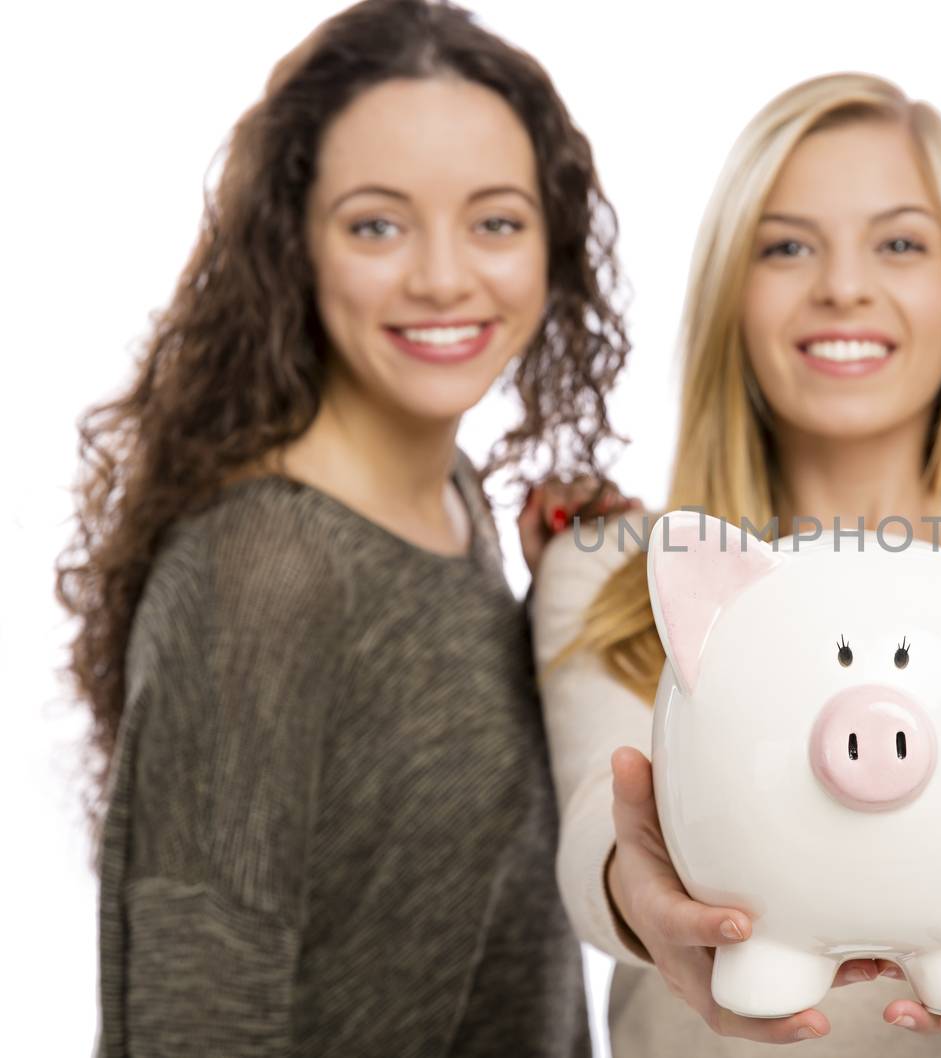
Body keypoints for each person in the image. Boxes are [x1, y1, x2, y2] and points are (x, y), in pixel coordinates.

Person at [532, 73, 941, 1054]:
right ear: (728, 292)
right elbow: (591, 832)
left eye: (900, 243)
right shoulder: (620, 566)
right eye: (786, 245)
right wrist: (640, 889)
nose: (842, 285)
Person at [54, 1, 628, 1053]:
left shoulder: (450, 503)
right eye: (377, 223)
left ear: (550, 245)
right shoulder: (260, 570)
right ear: (294, 246)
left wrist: (556, 615)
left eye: (494, 220)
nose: (443, 275)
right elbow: (197, 1015)